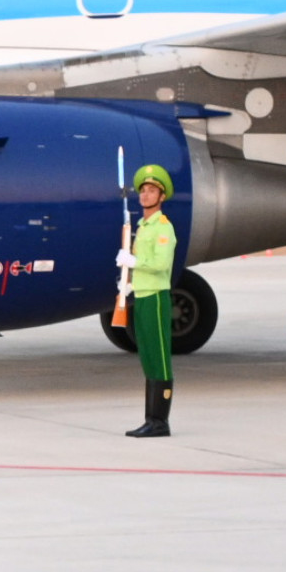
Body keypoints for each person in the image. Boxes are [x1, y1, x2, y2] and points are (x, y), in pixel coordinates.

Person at [117, 162, 178, 437]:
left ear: (161, 196)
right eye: (143, 190)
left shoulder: (163, 227)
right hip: (142, 295)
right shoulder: (143, 225)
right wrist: (128, 283)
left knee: (160, 358)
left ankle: (160, 421)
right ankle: (151, 419)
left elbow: (160, 264)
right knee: (148, 357)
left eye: (152, 191)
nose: (145, 194)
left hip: (155, 296)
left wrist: (134, 261)